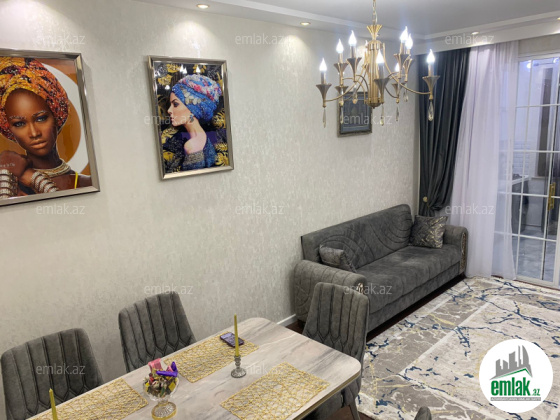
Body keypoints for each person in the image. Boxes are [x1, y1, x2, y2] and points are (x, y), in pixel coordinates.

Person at [0, 57, 91, 199]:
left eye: (41, 118)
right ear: (8, 128)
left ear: (57, 115)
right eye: (19, 124)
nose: (34, 133)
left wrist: (31, 178)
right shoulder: (8, 183)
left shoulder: (86, 183)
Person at [162, 74, 224, 172]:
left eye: (175, 104)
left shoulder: (191, 146)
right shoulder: (202, 137)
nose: (169, 110)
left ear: (192, 109)